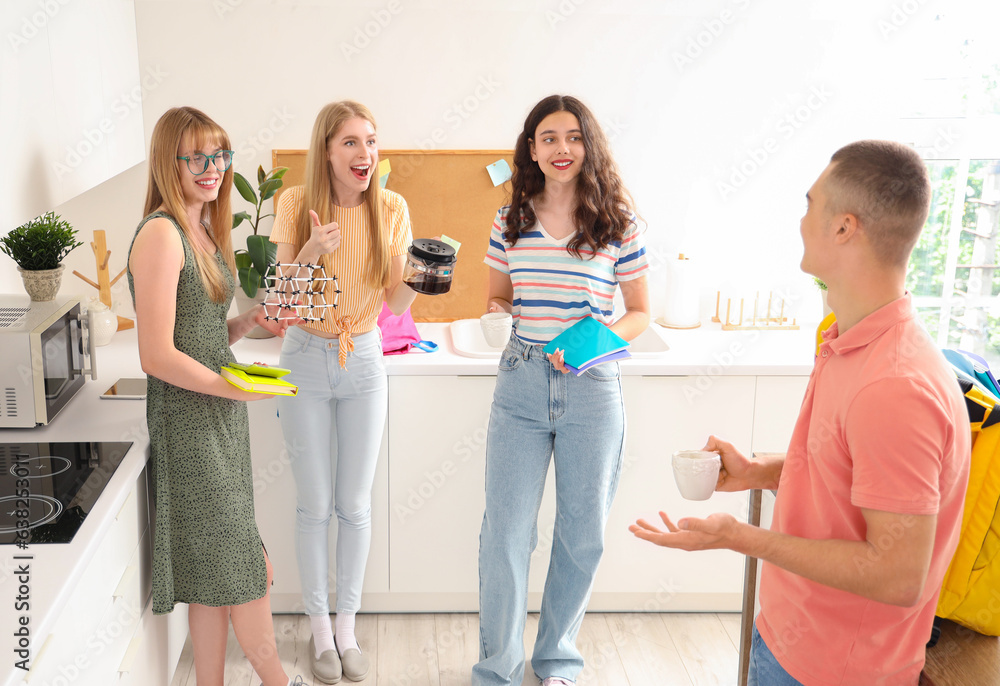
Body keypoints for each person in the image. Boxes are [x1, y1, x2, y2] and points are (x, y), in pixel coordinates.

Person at [630, 140, 971, 686]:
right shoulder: (847, 341)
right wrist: (760, 472)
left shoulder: (895, 387)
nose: (801, 220)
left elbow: (898, 574)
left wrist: (738, 537)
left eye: (810, 204)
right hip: (793, 635)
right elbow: (849, 474)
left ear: (844, 227)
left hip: (838, 668)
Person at [473, 95, 650, 686]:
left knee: (582, 533)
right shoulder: (509, 220)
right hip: (520, 383)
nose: (562, 149)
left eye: (573, 137)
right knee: (506, 534)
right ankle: (497, 669)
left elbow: (640, 313)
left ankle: (556, 663)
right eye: (548, 138)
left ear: (588, 145)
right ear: (531, 149)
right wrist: (496, 316)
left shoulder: (616, 218)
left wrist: (593, 345)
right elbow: (498, 297)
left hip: (593, 387)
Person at [127, 106, 303, 686]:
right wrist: (230, 386)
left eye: (220, 155)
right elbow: (155, 354)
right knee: (245, 570)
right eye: (197, 157)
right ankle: (276, 676)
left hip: (215, 418)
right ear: (168, 162)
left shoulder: (199, 226)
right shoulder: (161, 232)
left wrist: (246, 321)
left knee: (211, 576)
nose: (213, 168)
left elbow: (196, 336)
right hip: (191, 424)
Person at [269, 100, 417, 684]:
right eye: (351, 143)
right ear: (327, 151)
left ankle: (347, 627)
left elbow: (396, 301)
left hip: (364, 358)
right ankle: (319, 633)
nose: (365, 154)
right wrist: (309, 253)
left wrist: (425, 278)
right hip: (304, 357)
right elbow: (280, 305)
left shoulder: (391, 207)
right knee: (314, 504)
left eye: (372, 142)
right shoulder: (294, 204)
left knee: (354, 505)